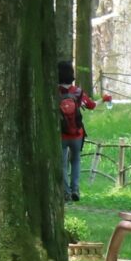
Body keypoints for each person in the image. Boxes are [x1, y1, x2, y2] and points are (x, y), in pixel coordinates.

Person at [56, 59, 97, 201]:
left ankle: (66, 192)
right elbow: (91, 105)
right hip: (77, 134)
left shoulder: (54, 92)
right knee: (76, 161)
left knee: (62, 164)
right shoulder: (78, 92)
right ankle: (75, 189)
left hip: (61, 134)